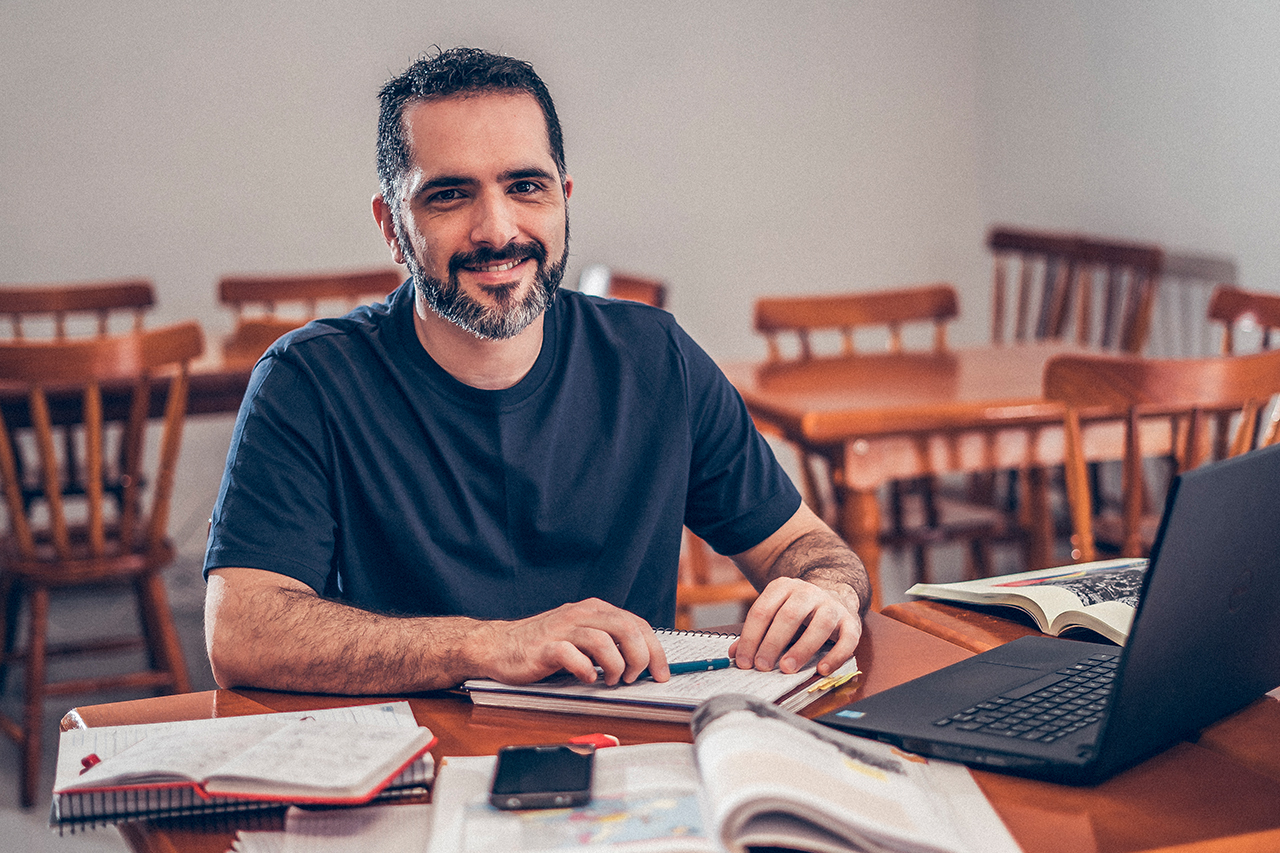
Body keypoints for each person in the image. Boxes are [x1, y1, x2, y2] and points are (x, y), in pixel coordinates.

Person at [203, 47, 870, 696]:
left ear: (563, 198)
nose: (497, 229)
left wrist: (826, 591)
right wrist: (488, 644)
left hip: (633, 752)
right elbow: (241, 632)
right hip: (423, 755)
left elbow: (808, 547)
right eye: (449, 195)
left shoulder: (654, 357)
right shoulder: (309, 380)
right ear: (392, 226)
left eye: (525, 187)